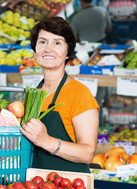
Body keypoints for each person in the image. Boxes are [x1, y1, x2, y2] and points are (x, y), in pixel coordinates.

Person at [20, 17, 100, 173]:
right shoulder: (32, 95)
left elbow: (88, 153)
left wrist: (47, 141)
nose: (48, 49)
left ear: (67, 52)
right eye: (42, 42)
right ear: (35, 49)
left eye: (57, 43)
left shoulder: (79, 93)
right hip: (34, 187)